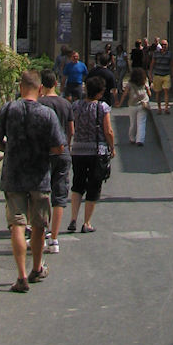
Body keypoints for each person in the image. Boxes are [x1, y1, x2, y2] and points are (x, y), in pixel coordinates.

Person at [0, 70, 65, 293]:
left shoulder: (8, 109)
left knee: (17, 224)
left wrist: (10, 149)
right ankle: (37, 268)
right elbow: (59, 147)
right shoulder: (47, 114)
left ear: (20, 88)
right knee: (39, 225)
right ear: (40, 89)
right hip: (39, 175)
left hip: (13, 175)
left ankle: (21, 275)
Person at [67, 75, 115, 234]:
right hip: (97, 151)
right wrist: (112, 147)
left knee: (77, 184)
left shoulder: (76, 106)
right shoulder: (103, 107)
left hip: (78, 149)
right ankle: (86, 222)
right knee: (93, 187)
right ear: (100, 93)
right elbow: (108, 131)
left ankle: (73, 219)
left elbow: (72, 126)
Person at [38, 68, 73, 253]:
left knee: (41, 192)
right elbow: (71, 130)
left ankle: (40, 233)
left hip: (43, 152)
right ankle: (54, 238)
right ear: (56, 84)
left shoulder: (39, 103)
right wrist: (67, 145)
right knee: (59, 195)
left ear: (41, 86)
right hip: (62, 151)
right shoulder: (65, 104)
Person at [118, 66, 151, 145]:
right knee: (141, 122)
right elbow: (149, 93)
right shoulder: (145, 81)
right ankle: (140, 140)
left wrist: (120, 103)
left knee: (133, 122)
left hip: (132, 105)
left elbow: (124, 94)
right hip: (143, 104)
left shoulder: (130, 84)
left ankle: (132, 138)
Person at [151, 38, 173, 113]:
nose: (164, 46)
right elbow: (152, 63)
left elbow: (172, 64)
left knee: (166, 91)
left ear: (167, 46)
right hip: (157, 74)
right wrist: (150, 74)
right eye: (162, 44)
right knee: (158, 92)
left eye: (165, 45)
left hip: (166, 74)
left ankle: (166, 108)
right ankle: (159, 108)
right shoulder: (156, 53)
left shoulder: (169, 54)